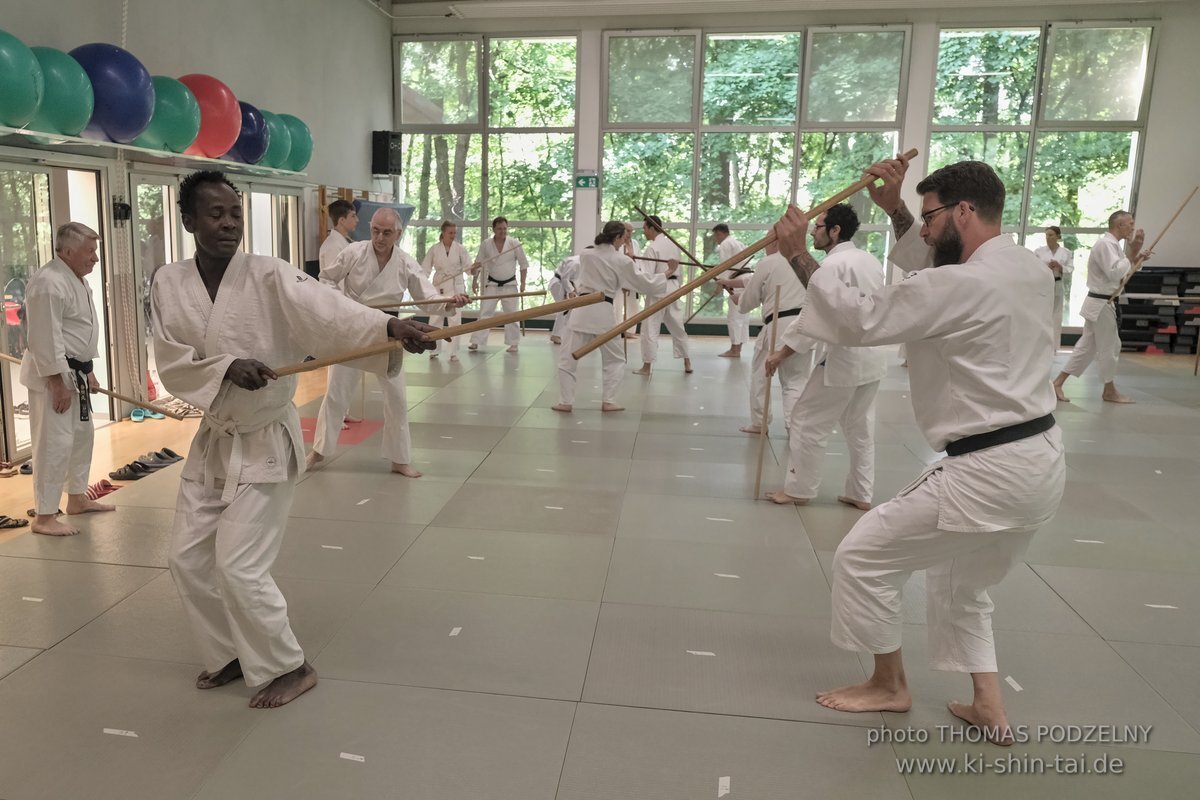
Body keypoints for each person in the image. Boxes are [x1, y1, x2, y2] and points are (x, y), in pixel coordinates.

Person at [773, 157, 1065, 744]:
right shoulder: (1028, 268)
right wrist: (898, 210)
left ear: (962, 210)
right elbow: (935, 270)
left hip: (988, 468)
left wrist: (798, 252)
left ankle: (888, 685)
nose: (924, 231)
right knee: (963, 585)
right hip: (1040, 460)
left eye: (930, 217)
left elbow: (862, 320)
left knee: (863, 557)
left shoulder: (963, 284)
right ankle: (989, 704)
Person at [151, 171, 436, 708]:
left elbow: (329, 310)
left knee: (239, 566)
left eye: (235, 212)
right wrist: (227, 367)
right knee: (185, 559)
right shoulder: (168, 282)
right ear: (188, 221)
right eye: (215, 214)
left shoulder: (268, 275)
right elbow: (169, 358)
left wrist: (388, 329)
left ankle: (289, 665)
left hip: (263, 442)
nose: (229, 223)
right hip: (215, 442)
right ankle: (229, 652)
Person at [311, 209, 467, 477]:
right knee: (336, 393)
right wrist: (341, 304)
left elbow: (425, 295)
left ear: (398, 233)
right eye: (375, 231)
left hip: (388, 331)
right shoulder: (353, 253)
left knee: (396, 398)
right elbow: (326, 279)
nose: (379, 237)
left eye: (386, 232)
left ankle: (399, 459)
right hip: (352, 327)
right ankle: (318, 451)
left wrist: (450, 303)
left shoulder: (405, 262)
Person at [764, 204, 887, 510]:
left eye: (818, 227)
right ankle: (861, 492)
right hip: (873, 357)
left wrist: (781, 353)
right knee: (860, 428)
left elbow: (815, 319)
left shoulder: (830, 268)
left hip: (844, 357)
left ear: (835, 231)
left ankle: (799, 489)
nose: (813, 233)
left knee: (807, 421)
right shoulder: (869, 260)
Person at [21, 222, 115, 536]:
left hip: (75, 373)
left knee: (81, 439)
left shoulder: (74, 278)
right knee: (53, 444)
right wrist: (57, 383)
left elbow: (77, 331)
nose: (95, 258)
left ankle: (76, 499)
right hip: (54, 379)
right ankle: (45, 516)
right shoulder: (49, 282)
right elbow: (45, 338)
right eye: (91, 251)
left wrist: (88, 371)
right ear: (69, 251)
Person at [552, 222, 673, 412]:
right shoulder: (621, 260)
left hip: (581, 312)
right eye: (624, 238)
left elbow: (590, 261)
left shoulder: (586, 254)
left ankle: (565, 402)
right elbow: (643, 283)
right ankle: (608, 400)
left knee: (567, 359)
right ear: (616, 237)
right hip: (603, 314)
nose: (624, 242)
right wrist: (668, 273)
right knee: (615, 359)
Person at [716, 241, 810, 435]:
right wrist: (731, 285)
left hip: (778, 323)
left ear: (775, 242)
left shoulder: (769, 261)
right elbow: (752, 281)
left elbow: (750, 297)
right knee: (796, 380)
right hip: (804, 324)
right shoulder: (807, 261)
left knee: (761, 374)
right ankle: (796, 429)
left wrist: (739, 302)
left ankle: (760, 422)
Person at [1052, 211, 1145, 404]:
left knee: (1086, 347)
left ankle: (1057, 383)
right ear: (1119, 225)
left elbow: (1122, 275)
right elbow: (1114, 274)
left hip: (1103, 302)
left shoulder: (1113, 246)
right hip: (1101, 303)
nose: (1132, 228)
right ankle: (1109, 390)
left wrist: (1136, 259)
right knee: (1111, 346)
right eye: (1130, 223)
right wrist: (1132, 254)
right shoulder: (1105, 245)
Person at [635, 215, 692, 375]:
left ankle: (646, 366)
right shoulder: (673, 244)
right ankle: (687, 362)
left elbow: (647, 274)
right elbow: (678, 270)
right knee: (677, 326)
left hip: (658, 288)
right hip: (673, 288)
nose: (644, 232)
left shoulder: (653, 247)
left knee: (650, 326)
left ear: (652, 228)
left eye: (645, 228)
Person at [468, 216, 528, 353]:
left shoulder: (514, 243)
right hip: (492, 284)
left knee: (512, 315)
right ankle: (476, 341)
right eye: (499, 229)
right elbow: (479, 263)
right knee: (485, 313)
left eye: (505, 228)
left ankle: (513, 343)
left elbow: (523, 265)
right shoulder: (486, 244)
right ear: (493, 229)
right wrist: (474, 280)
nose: (502, 231)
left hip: (510, 284)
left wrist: (523, 283)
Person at [421, 220, 472, 361]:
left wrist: (473, 269)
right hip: (439, 286)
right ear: (443, 233)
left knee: (455, 320)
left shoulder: (460, 249)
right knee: (435, 318)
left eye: (454, 232)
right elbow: (425, 268)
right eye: (450, 232)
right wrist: (421, 284)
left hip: (456, 287)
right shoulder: (434, 249)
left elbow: (469, 267)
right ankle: (433, 350)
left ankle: (453, 352)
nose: (453, 235)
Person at [712, 223, 751, 358]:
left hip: (737, 280)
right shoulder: (738, 243)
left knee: (734, 317)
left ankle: (734, 349)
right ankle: (737, 348)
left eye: (715, 236)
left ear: (720, 233)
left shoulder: (725, 244)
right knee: (743, 316)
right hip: (745, 280)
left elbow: (725, 265)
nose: (715, 239)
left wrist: (720, 284)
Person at [1033, 225, 1072, 352]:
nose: (1048, 238)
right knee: (1041, 313)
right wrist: (1045, 267)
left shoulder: (1066, 252)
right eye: (1046, 235)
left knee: (1056, 315)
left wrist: (1060, 267)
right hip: (1043, 284)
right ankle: (1039, 345)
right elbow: (1033, 267)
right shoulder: (1039, 251)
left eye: (1051, 235)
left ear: (1058, 237)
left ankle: (1054, 347)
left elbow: (1070, 269)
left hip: (1057, 282)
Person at [318, 199, 357, 286]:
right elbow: (335, 280)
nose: (357, 220)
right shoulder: (333, 246)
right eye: (353, 216)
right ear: (342, 220)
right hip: (337, 297)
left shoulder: (346, 241)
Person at [548, 251, 581, 345]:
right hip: (558, 284)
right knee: (564, 309)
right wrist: (571, 291)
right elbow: (565, 278)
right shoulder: (576, 262)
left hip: (563, 284)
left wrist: (574, 290)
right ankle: (556, 335)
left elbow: (571, 279)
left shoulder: (580, 261)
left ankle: (562, 334)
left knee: (568, 310)